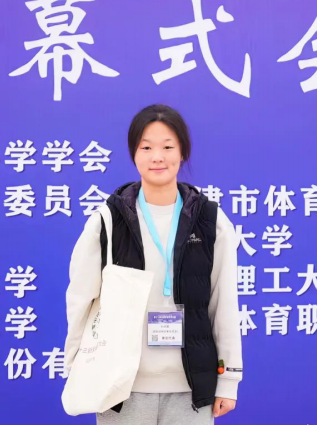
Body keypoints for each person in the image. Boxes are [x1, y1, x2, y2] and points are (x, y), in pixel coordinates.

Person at [64, 104, 243, 425]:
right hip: (120, 390)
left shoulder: (210, 221)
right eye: (146, 147)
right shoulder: (108, 220)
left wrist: (228, 379)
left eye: (167, 147)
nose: (157, 157)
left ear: (183, 152)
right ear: (134, 154)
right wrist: (76, 366)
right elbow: (80, 299)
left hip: (190, 389)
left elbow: (224, 302)